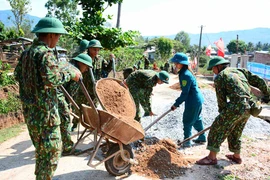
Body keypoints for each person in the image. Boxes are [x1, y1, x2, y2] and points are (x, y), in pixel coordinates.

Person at [14, 17, 81, 180]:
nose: (58, 40)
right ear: (50, 35)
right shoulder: (45, 53)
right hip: (46, 116)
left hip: (31, 114)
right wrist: (71, 74)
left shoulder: (26, 53)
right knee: (52, 153)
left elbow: (17, 75)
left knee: (42, 153)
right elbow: (52, 80)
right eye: (58, 36)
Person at [196, 56, 270, 165]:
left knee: (217, 129)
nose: (213, 71)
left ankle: (211, 158)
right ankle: (236, 157)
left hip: (236, 105)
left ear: (218, 66)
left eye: (213, 68)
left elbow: (221, 99)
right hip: (249, 106)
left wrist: (223, 116)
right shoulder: (239, 71)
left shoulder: (221, 77)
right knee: (236, 130)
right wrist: (268, 94)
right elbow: (259, 80)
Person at [170, 52, 206, 148]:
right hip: (197, 100)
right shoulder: (185, 73)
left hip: (193, 101)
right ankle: (202, 137)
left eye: (176, 63)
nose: (175, 65)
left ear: (182, 63)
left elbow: (185, 93)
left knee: (187, 121)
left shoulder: (185, 75)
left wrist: (176, 104)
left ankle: (187, 141)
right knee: (197, 119)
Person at [59, 53, 93, 155]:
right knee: (65, 120)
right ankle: (67, 148)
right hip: (57, 95)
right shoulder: (76, 72)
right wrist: (68, 106)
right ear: (80, 63)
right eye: (86, 66)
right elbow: (70, 93)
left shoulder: (66, 64)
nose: (86, 69)